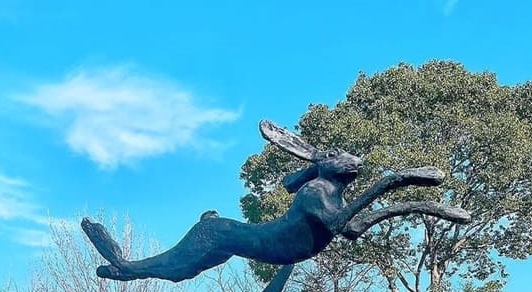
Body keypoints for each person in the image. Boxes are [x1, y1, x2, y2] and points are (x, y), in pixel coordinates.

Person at [83, 120, 470, 283]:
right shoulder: (314, 193)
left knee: (183, 272)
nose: (353, 160)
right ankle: (122, 265)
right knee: (175, 269)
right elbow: (345, 227)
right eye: (340, 155)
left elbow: (351, 223)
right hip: (225, 233)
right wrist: (397, 181)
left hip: (245, 237)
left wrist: (422, 204)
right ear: (325, 166)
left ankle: (123, 270)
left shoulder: (331, 194)